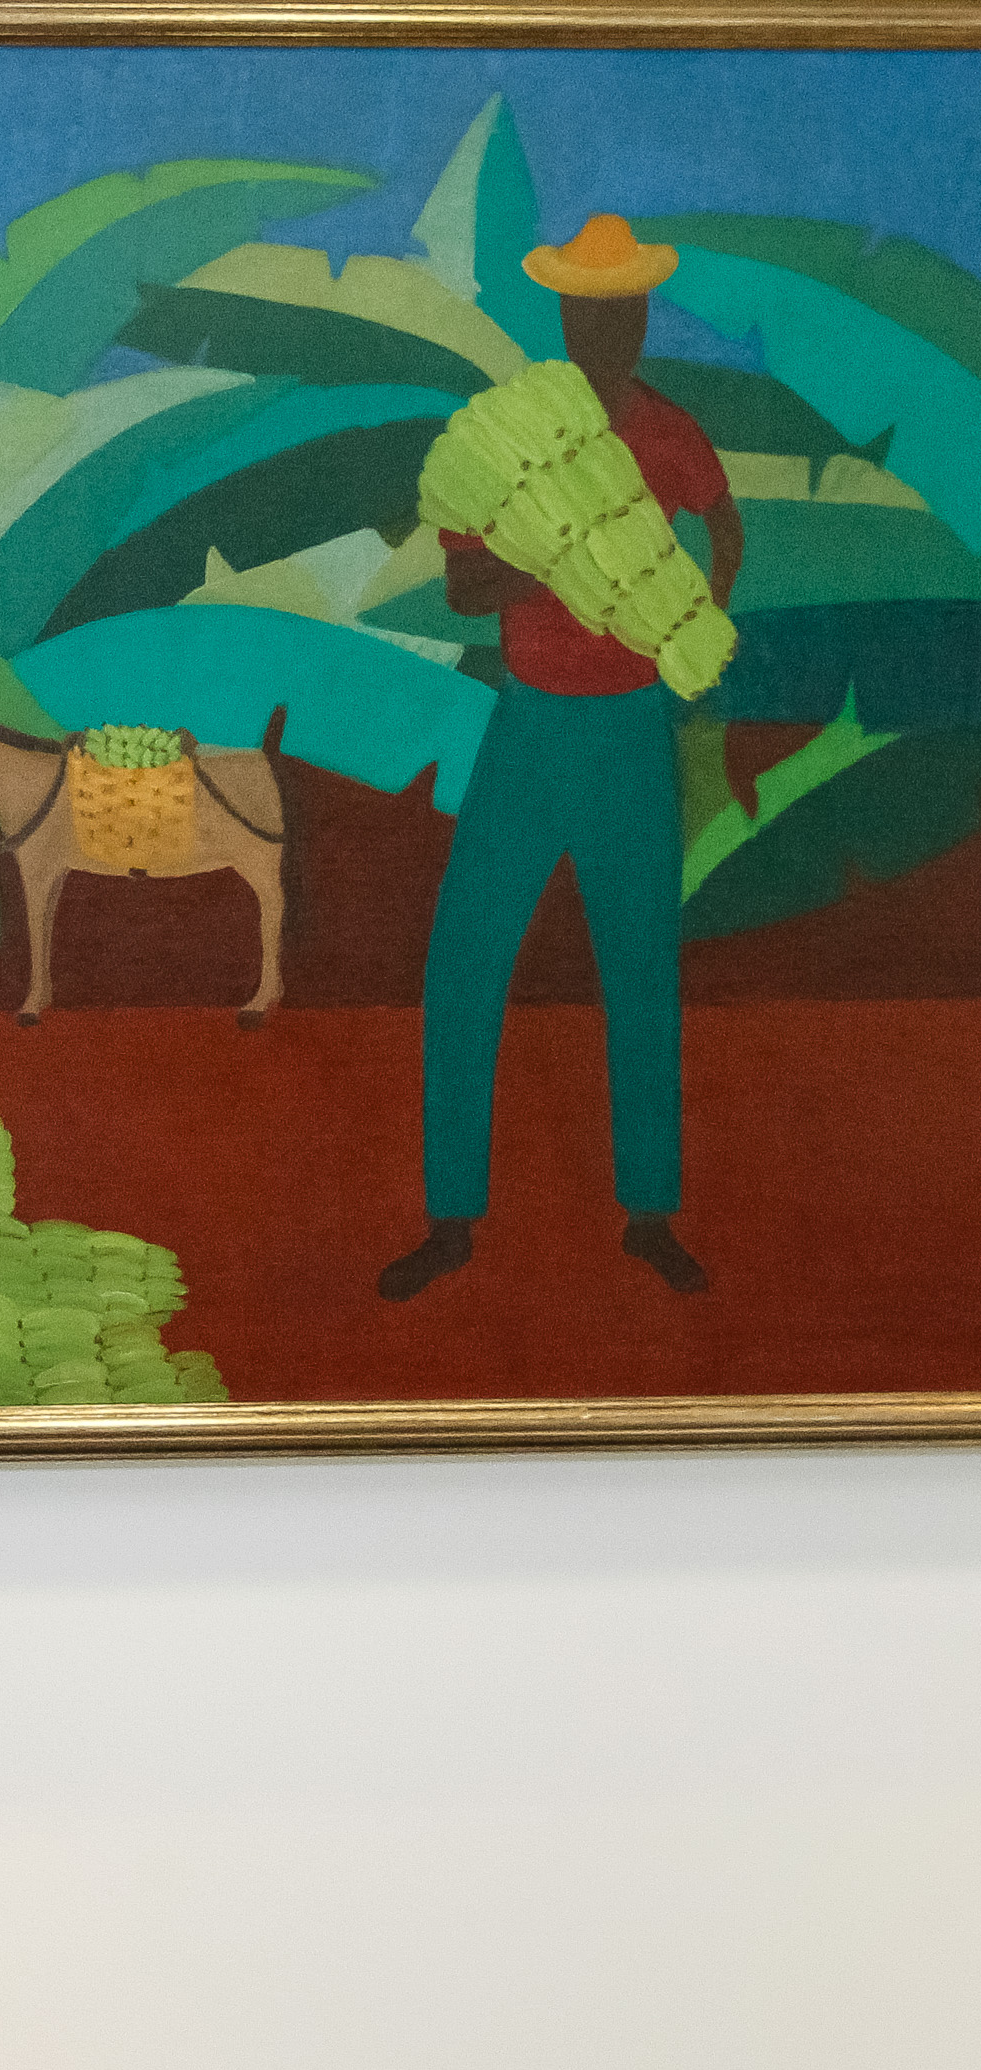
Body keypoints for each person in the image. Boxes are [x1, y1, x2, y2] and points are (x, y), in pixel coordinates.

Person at [384, 214, 741, 1304]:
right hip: (529, 727)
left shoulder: (669, 432)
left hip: (631, 727)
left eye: (623, 312)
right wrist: (558, 565)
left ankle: (647, 1213)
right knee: (463, 966)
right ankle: (450, 1219)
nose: (608, 330)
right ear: (565, 319)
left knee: (637, 969)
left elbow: (723, 527)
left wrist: (686, 618)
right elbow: (460, 587)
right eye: (590, 313)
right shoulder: (504, 442)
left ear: (638, 320)